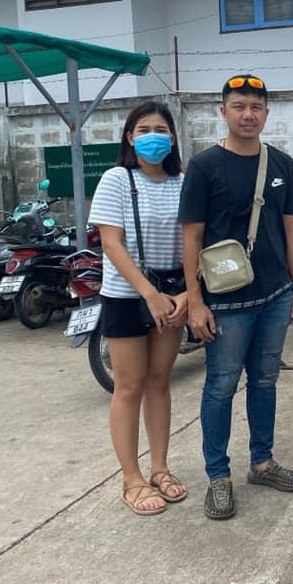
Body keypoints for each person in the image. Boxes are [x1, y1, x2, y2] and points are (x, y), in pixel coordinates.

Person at [179, 74, 293, 520]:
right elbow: (191, 236)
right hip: (226, 300)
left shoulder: (282, 163)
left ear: (266, 113)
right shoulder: (204, 166)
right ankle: (218, 476)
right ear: (223, 112)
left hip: (275, 294)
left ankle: (262, 463)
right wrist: (195, 301)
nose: (248, 114)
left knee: (266, 380)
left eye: (256, 106)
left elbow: (290, 226)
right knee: (220, 385)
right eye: (239, 106)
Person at [88, 101, 189, 516]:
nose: (153, 137)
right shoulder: (116, 179)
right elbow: (111, 243)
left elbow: (196, 240)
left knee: (160, 381)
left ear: (173, 138)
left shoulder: (184, 182)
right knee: (129, 386)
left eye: (161, 130)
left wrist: (190, 292)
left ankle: (159, 468)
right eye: (143, 129)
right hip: (128, 296)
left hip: (174, 296)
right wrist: (149, 293)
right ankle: (131, 479)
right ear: (129, 138)